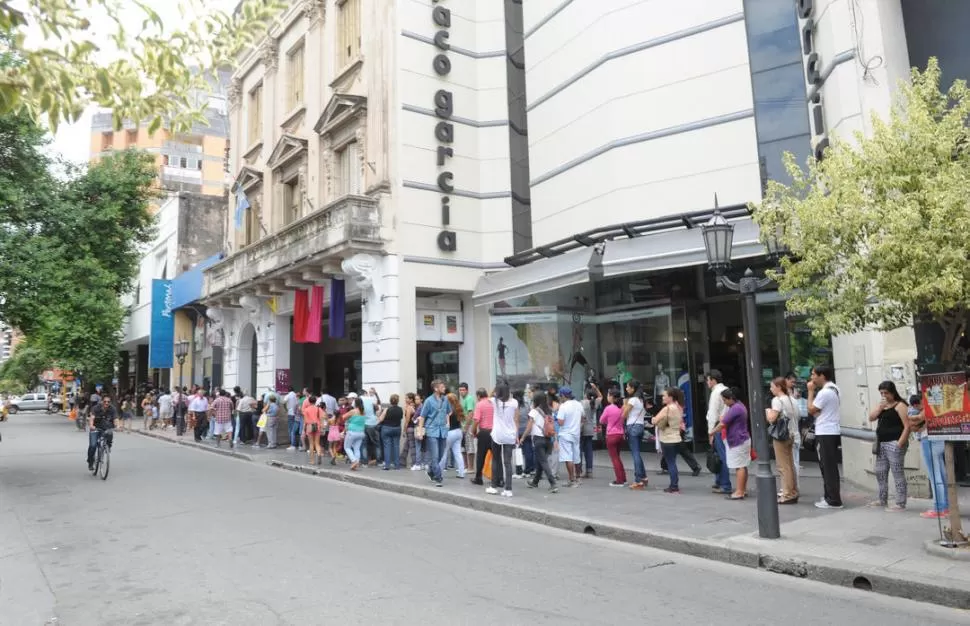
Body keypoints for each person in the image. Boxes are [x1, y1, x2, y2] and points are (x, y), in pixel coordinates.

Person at [868, 381, 909, 511]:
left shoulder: (900, 405)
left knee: (897, 472)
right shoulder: (882, 406)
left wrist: (900, 443)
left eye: (886, 393)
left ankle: (900, 502)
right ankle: (882, 499)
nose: (884, 395)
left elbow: (907, 426)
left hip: (894, 442)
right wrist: (880, 408)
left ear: (892, 392)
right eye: (881, 393)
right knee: (880, 472)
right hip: (882, 443)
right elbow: (871, 418)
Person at [808, 365, 843, 509]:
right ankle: (830, 495)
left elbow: (811, 409)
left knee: (827, 466)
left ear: (822, 376)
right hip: (831, 430)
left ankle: (833, 500)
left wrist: (810, 392)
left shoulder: (825, 392)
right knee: (829, 466)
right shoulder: (835, 388)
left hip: (825, 432)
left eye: (814, 374)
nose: (812, 378)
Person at [908, 395, 948, 519]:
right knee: (941, 474)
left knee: (935, 476)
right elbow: (915, 426)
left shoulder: (927, 407)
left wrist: (910, 417)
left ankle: (939, 508)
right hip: (940, 438)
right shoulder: (937, 403)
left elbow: (915, 423)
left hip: (929, 440)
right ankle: (945, 506)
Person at [767, 377, 800, 504]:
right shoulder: (792, 399)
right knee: (790, 465)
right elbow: (797, 416)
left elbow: (772, 418)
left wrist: (768, 412)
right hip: (792, 434)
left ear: (779, 387)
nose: (771, 389)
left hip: (781, 436)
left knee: (783, 466)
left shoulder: (777, 400)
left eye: (772, 387)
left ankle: (787, 493)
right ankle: (793, 491)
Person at [716, 387, 751, 500]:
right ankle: (742, 489)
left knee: (739, 466)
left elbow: (723, 423)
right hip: (742, 438)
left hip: (737, 440)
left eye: (725, 400)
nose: (724, 403)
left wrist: (712, 432)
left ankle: (739, 491)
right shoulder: (740, 406)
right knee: (742, 465)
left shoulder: (735, 408)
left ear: (731, 398)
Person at [521, 389, 558, 493]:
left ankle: (553, 483)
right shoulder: (549, 410)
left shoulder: (534, 411)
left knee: (543, 462)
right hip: (548, 439)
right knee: (540, 461)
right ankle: (535, 481)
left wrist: (523, 437)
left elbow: (529, 427)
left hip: (538, 439)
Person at [488, 383, 518, 497]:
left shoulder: (495, 402)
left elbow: (489, 395)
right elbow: (516, 417)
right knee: (508, 463)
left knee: (496, 459)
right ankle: (508, 489)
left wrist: (495, 392)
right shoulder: (514, 402)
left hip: (497, 434)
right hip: (510, 435)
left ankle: (493, 486)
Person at [418, 380, 451, 487]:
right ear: (436, 389)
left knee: (441, 455)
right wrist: (420, 431)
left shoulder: (445, 399)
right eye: (442, 386)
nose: (444, 388)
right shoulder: (428, 401)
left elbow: (448, 411)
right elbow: (422, 417)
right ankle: (438, 477)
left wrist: (447, 422)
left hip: (442, 431)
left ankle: (431, 470)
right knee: (435, 456)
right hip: (432, 430)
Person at [652, 387, 685, 493]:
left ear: (670, 397)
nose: (662, 397)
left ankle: (674, 486)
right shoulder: (679, 407)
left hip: (667, 439)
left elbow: (655, 420)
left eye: (664, 395)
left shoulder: (667, 408)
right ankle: (674, 484)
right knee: (673, 462)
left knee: (670, 463)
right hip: (677, 438)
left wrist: (653, 419)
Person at [705, 370, 731, 495]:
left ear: (713, 380)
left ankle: (724, 484)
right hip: (726, 425)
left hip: (718, 426)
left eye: (708, 379)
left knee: (721, 455)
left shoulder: (716, 393)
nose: (707, 382)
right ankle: (719, 480)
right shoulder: (726, 389)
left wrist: (710, 432)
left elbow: (713, 413)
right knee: (720, 454)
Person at [622, 379, 648, 490]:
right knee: (637, 453)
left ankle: (638, 480)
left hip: (632, 427)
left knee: (635, 454)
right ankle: (643, 477)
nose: (626, 389)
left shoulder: (633, 400)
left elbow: (624, 414)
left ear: (633, 388)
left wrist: (624, 404)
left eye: (628, 387)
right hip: (640, 426)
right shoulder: (641, 400)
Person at [555, 386, 583, 487]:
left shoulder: (563, 406)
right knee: (577, 456)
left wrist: (557, 412)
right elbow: (583, 418)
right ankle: (578, 477)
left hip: (565, 434)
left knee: (568, 457)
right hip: (576, 433)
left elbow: (560, 422)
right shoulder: (579, 404)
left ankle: (572, 480)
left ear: (563, 396)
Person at [600, 388, 627, 486]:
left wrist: (609, 422)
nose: (607, 397)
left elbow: (601, 420)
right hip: (620, 434)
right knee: (618, 458)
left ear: (611, 397)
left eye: (608, 395)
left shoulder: (608, 408)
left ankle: (619, 480)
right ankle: (623, 478)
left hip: (611, 435)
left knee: (614, 458)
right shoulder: (622, 408)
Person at [470, 387, 494, 485]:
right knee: (496, 457)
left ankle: (478, 478)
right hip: (494, 433)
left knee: (481, 456)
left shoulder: (479, 405)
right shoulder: (493, 404)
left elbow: (476, 420)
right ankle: (499, 478)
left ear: (479, 396)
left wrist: (474, 432)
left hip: (484, 433)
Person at [439, 393, 466, 478]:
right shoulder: (458, 408)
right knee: (458, 453)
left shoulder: (448, 410)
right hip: (458, 431)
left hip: (449, 432)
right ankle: (461, 473)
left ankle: (438, 472)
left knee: (444, 452)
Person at [577, 385, 601, 479]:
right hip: (590, 429)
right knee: (589, 451)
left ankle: (578, 470)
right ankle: (589, 471)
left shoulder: (581, 403)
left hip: (582, 429)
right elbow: (601, 396)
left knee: (579, 450)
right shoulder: (594, 402)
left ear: (585, 394)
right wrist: (595, 388)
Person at [87, 395, 116, 471]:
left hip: (105, 428)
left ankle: (108, 446)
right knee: (93, 446)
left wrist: (118, 426)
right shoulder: (96, 408)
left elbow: (116, 418)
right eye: (105, 401)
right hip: (95, 428)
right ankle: (90, 461)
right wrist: (91, 425)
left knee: (110, 433)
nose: (106, 403)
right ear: (101, 401)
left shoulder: (112, 409)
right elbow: (92, 417)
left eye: (108, 402)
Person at [378, 394, 404, 470]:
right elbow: (401, 417)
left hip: (387, 428)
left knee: (387, 447)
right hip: (397, 428)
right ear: (398, 401)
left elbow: (380, 419)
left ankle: (387, 465)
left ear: (390, 401)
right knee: (396, 446)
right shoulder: (400, 409)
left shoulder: (387, 409)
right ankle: (397, 465)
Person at [344, 397, 367, 470]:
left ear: (355, 403)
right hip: (361, 432)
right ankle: (356, 464)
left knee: (347, 447)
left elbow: (343, 417)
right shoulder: (363, 412)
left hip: (352, 432)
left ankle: (354, 461)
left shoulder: (353, 411)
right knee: (357, 448)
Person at [361, 388, 382, 465]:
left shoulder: (360, 400)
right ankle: (379, 461)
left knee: (364, 444)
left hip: (364, 424)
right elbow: (377, 408)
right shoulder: (371, 400)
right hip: (373, 423)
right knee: (377, 444)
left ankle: (364, 462)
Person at [458, 382, 477, 472]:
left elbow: (470, 413)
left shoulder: (469, 399)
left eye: (463, 390)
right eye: (460, 390)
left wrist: (466, 426)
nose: (462, 392)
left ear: (467, 390)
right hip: (463, 426)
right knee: (463, 447)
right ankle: (465, 466)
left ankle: (471, 468)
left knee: (469, 446)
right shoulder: (463, 399)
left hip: (468, 426)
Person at [302, 395, 324, 465]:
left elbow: (305, 421)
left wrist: (303, 430)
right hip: (317, 426)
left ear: (309, 401)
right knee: (317, 443)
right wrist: (322, 427)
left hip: (309, 427)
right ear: (315, 401)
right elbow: (321, 418)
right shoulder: (318, 409)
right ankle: (319, 453)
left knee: (311, 444)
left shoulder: (306, 409)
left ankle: (312, 461)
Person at [284, 387, 301, 452]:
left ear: (288, 390)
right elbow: (297, 404)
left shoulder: (288, 395)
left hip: (290, 413)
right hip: (296, 415)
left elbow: (283, 402)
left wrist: (286, 409)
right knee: (296, 430)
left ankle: (292, 444)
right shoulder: (296, 395)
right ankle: (298, 444)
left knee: (291, 430)